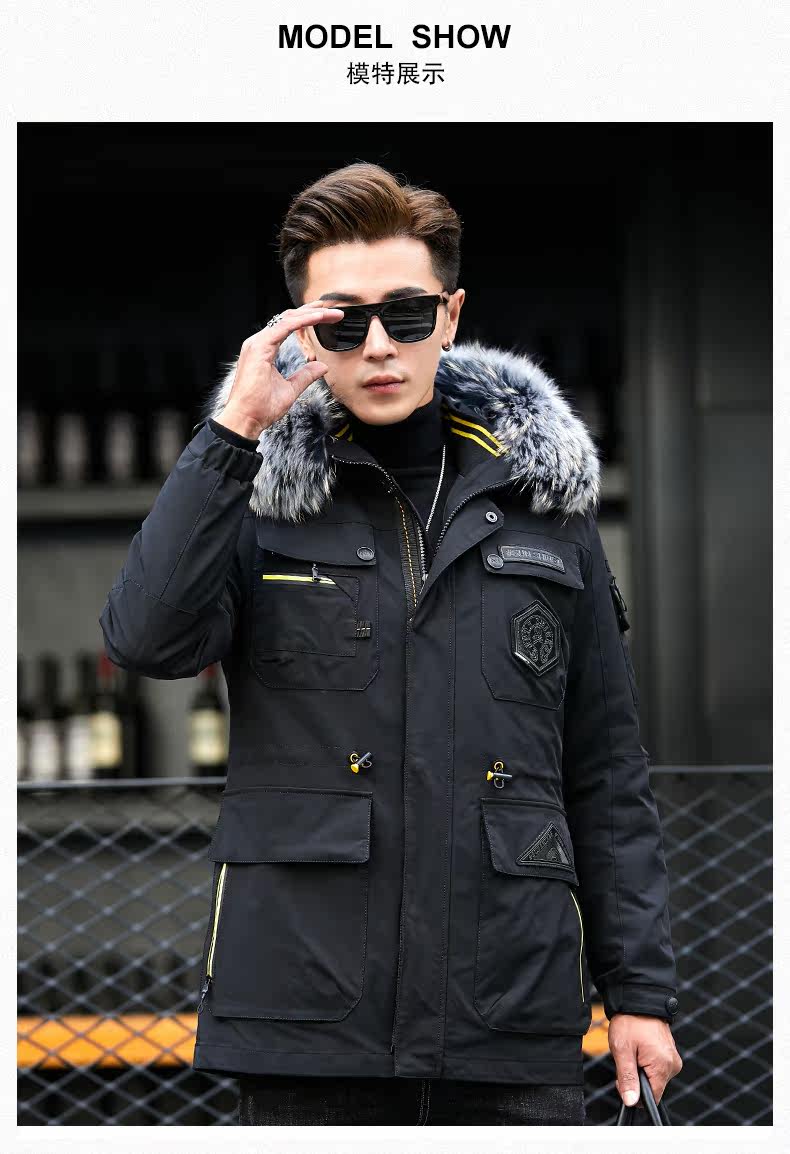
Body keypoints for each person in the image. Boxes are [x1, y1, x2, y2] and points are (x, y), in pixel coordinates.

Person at [99, 161, 682, 1126]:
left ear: (449, 317)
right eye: (342, 322)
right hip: (307, 1018)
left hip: (509, 1017)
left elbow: (606, 769)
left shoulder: (546, 509)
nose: (378, 346)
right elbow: (144, 639)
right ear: (302, 332)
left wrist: (641, 993)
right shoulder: (253, 499)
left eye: (406, 315)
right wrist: (234, 429)